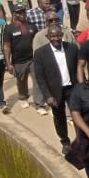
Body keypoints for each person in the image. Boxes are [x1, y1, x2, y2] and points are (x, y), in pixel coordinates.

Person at [33, 25, 79, 153]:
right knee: (59, 118)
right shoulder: (40, 53)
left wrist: (81, 88)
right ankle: (65, 141)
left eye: (59, 35)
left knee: (77, 114)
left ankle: (80, 140)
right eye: (53, 36)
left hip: (72, 88)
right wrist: (47, 96)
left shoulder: (72, 48)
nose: (56, 38)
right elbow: (40, 77)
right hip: (54, 92)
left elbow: (78, 69)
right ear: (48, 37)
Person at [2, 4, 36, 109]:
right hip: (19, 61)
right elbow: (7, 47)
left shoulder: (32, 26)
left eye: (23, 12)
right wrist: (8, 64)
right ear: (15, 14)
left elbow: (36, 42)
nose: (22, 14)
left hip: (32, 59)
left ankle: (39, 102)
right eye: (19, 13)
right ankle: (23, 97)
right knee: (22, 81)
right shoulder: (9, 28)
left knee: (38, 80)